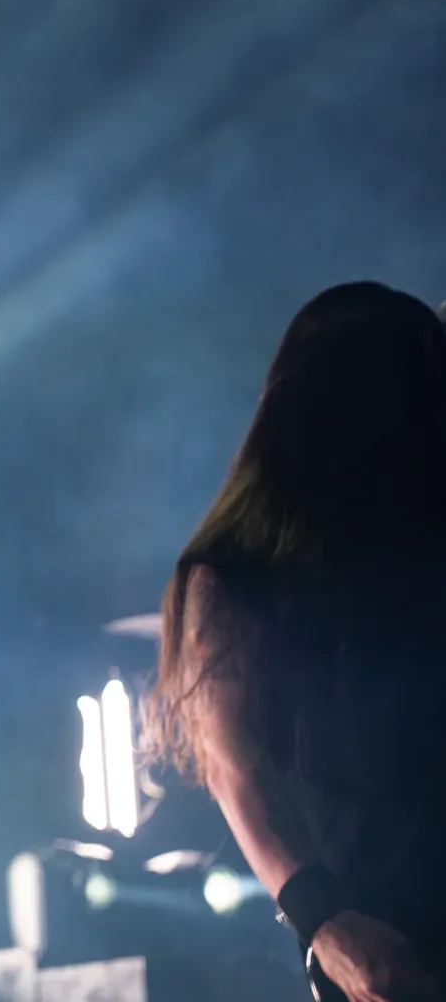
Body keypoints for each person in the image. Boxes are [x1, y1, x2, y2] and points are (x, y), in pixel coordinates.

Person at [149, 282, 446, 1002]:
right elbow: (234, 766)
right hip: (389, 942)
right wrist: (326, 922)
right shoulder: (238, 571)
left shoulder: (419, 545)